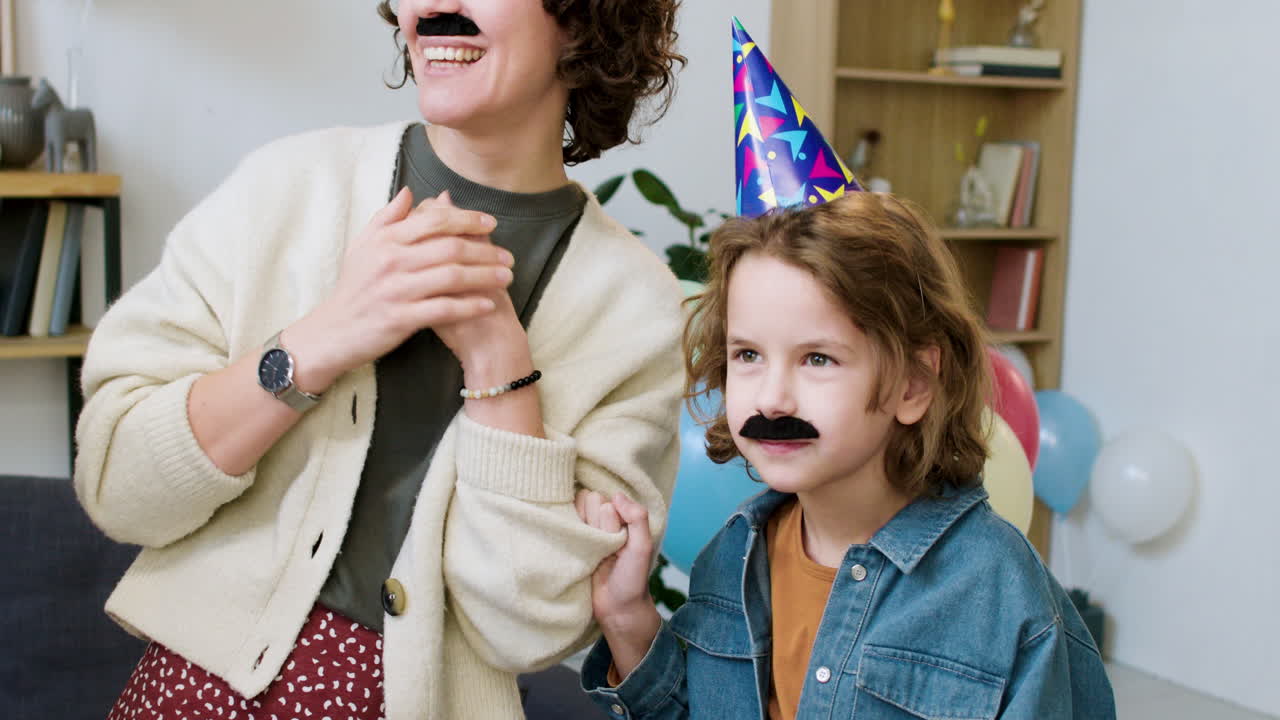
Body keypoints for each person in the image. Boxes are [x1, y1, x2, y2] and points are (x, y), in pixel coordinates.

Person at [76, 2, 686, 718]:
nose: (434, 5)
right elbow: (117, 482)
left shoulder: (636, 308)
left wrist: (502, 369)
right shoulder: (286, 186)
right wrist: (321, 339)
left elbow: (529, 627)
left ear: (585, 19)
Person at [576, 191, 1117, 719]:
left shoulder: (1000, 591)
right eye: (748, 354)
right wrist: (626, 616)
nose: (771, 397)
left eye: (817, 358)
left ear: (913, 384)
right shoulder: (734, 556)